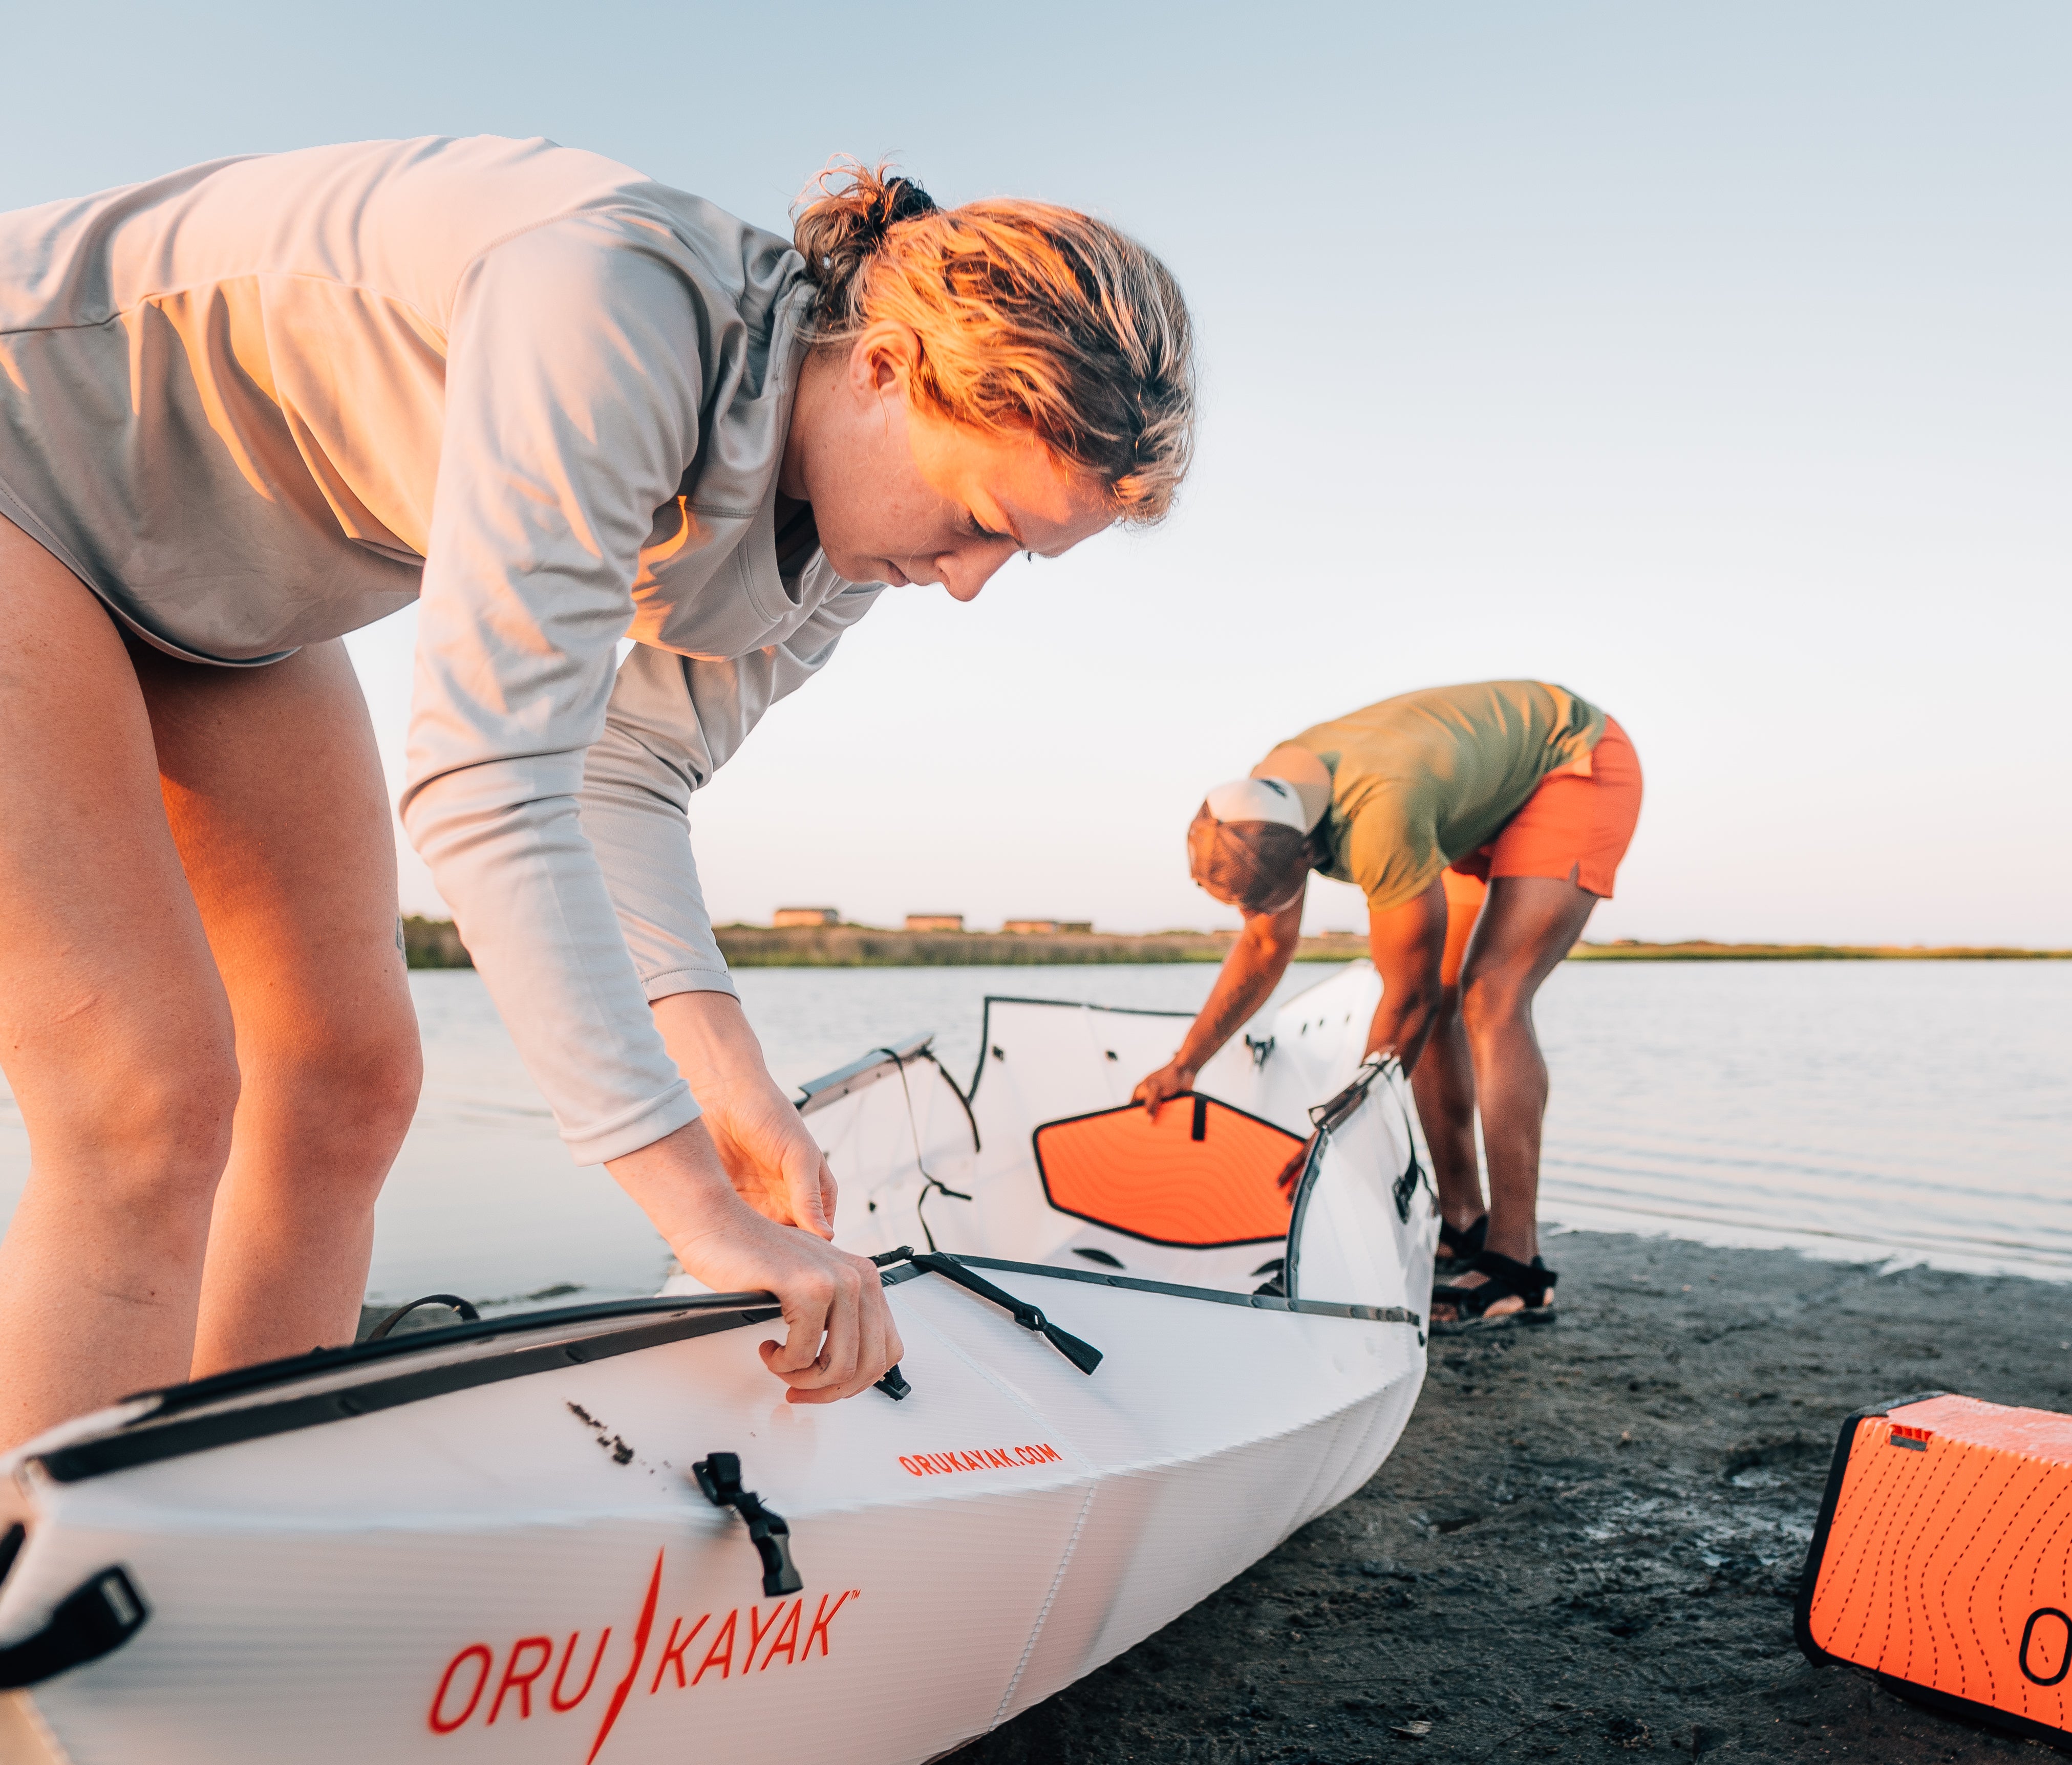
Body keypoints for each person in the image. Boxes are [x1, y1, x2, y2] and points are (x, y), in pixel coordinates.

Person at [0, 136, 1193, 1446]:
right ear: (883, 368)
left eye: (1016, 556)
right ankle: (45, 1626)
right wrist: (694, 1212)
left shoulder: (849, 546)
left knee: (348, 1081)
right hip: (27, 453)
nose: (967, 582)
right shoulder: (609, 304)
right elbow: (485, 781)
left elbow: (625, 778)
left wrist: (737, 1105)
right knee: (146, 1096)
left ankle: (227, 1543)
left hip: (228, 586)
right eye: (977, 520)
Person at [1132, 682, 1641, 1328]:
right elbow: (1265, 945)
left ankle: (1518, 1263)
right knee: (1445, 998)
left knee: (1490, 994)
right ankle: (1462, 1223)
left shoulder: (1381, 822)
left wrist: (1342, 1126)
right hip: (1467, 790)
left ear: (1308, 853)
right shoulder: (1269, 801)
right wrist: (1185, 1064)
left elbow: (1409, 997)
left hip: (1571, 760)